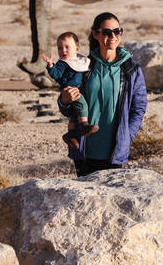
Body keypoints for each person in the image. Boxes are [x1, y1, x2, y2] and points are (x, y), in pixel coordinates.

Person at [59, 12, 147, 177]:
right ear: (95, 34)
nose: (112, 36)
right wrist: (64, 100)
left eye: (117, 31)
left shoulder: (131, 69)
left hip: (115, 151)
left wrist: (128, 135)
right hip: (85, 149)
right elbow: (69, 109)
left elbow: (139, 107)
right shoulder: (83, 67)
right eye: (106, 32)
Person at [42, 31, 94, 148]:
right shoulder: (62, 64)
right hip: (71, 90)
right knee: (82, 105)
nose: (63, 51)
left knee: (75, 114)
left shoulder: (80, 61)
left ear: (77, 48)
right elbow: (56, 74)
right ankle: (85, 126)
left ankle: (70, 134)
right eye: (60, 48)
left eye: (67, 47)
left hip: (77, 89)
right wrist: (50, 65)